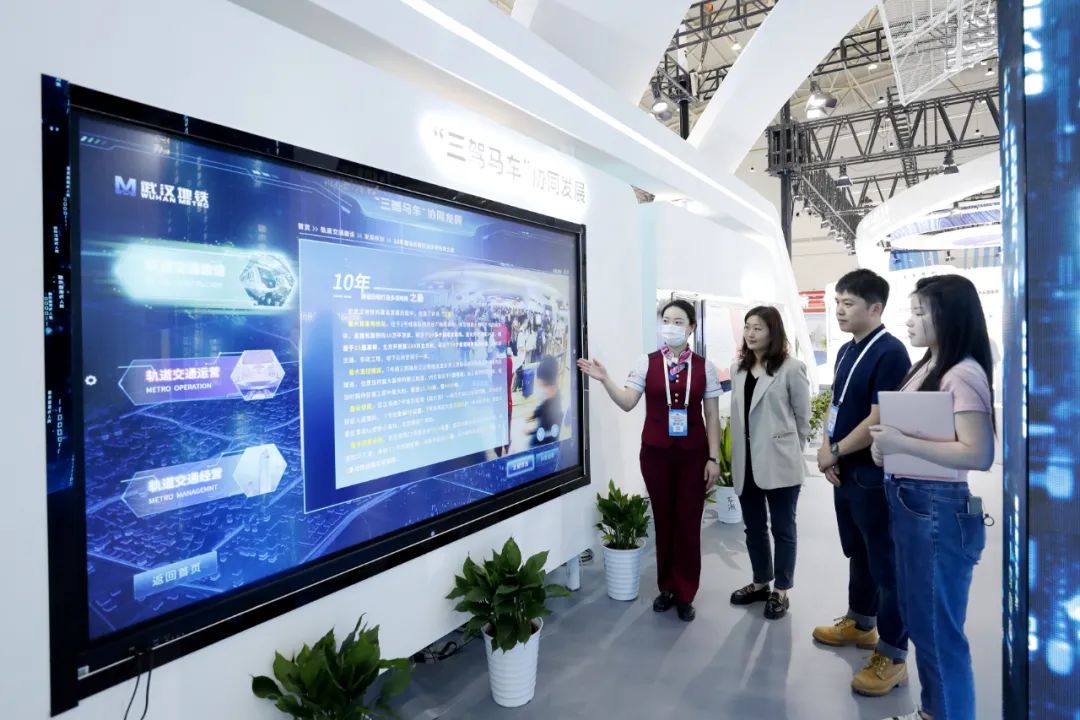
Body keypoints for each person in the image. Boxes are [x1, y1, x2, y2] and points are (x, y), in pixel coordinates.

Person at [870, 275, 995, 720]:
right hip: (912, 503)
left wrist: (901, 444)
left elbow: (978, 453)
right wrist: (886, 447)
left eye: (920, 312)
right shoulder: (928, 365)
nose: (910, 321)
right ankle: (933, 711)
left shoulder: (962, 373)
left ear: (948, 316)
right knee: (923, 622)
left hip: (936, 508)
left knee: (939, 632)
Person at [577, 299, 722, 621]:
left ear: (691, 327)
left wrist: (714, 458)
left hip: (693, 455)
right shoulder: (646, 362)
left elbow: (712, 416)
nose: (671, 326)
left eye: (678, 321)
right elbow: (628, 402)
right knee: (663, 519)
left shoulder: (705, 367)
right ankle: (666, 587)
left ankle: (686, 592)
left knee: (689, 523)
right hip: (656, 454)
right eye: (666, 320)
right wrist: (605, 379)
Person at [813, 269, 913, 697]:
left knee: (885, 564)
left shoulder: (891, 352)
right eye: (837, 301)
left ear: (875, 308)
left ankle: (893, 655)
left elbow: (879, 416)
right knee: (858, 551)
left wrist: (835, 451)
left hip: (871, 473)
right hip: (845, 469)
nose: (839, 310)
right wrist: (827, 449)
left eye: (848, 303)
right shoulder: (846, 350)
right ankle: (861, 622)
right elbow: (835, 403)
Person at [728, 307, 810, 621]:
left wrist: (791, 450)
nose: (750, 333)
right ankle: (761, 582)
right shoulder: (738, 369)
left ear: (772, 332)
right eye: (747, 327)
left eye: (758, 328)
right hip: (746, 461)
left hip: (780, 461)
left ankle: (782, 590)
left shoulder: (791, 368)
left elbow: (803, 418)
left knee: (783, 528)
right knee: (754, 528)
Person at [527, 355, 563, 447]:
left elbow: (546, 434)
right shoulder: (549, 397)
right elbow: (542, 406)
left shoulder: (556, 410)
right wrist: (534, 414)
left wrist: (531, 432)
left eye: (542, 386)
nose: (541, 390)